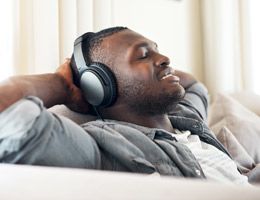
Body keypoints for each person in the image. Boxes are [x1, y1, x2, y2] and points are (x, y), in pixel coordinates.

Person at [0, 27, 248, 184]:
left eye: (157, 50)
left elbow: (195, 86)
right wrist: (62, 84)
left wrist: (157, 71)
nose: (164, 59)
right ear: (100, 84)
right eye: (143, 55)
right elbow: (8, 113)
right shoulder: (108, 146)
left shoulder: (186, 117)